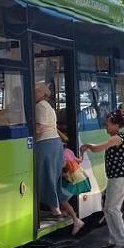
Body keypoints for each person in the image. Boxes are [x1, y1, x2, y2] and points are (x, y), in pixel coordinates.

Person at [34, 82, 84, 236]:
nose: (33, 94)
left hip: (45, 144)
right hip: (54, 144)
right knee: (53, 177)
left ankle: (55, 208)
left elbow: (40, 127)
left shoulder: (40, 106)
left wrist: (27, 134)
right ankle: (57, 207)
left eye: (35, 91)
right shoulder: (47, 105)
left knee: (45, 176)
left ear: (42, 93)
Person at [81, 109, 124, 248]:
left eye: (108, 124)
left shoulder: (117, 138)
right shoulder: (116, 137)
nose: (106, 127)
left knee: (113, 209)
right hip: (115, 177)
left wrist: (87, 146)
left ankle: (121, 241)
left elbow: (97, 149)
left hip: (120, 178)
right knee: (108, 209)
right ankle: (114, 240)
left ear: (116, 125)